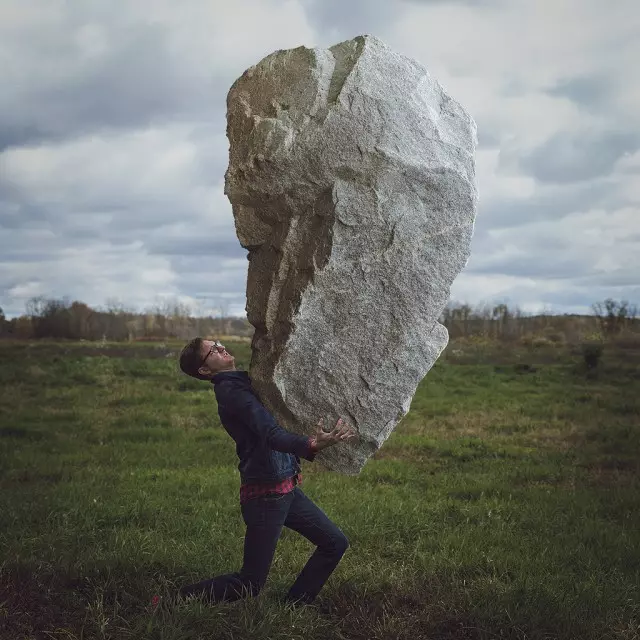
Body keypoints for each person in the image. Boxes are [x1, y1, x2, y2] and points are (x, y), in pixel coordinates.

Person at [175, 337, 359, 607]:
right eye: (212, 350)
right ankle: (176, 600)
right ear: (205, 370)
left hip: (285, 490)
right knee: (250, 583)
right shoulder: (232, 393)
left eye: (217, 342)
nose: (221, 347)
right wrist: (311, 443)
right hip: (266, 498)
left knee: (335, 543)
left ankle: (296, 605)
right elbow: (270, 433)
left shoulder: (243, 381)